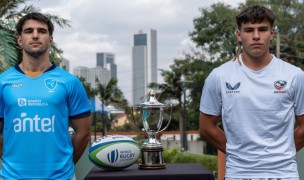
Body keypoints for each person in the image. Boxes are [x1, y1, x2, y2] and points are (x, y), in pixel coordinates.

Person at [199, 5, 304, 179]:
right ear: (239, 35)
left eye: (262, 29)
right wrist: (238, 153)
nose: (256, 36)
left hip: (284, 173)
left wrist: (281, 152)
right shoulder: (219, 76)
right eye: (249, 30)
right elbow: (206, 127)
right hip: (239, 173)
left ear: (272, 33)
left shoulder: (295, 75)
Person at [0, 12, 91, 179]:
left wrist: (63, 166)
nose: (35, 35)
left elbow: (83, 133)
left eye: (41, 31)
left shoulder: (70, 82)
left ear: (50, 39)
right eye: (28, 31)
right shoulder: (2, 81)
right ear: (20, 40)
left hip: (61, 177)